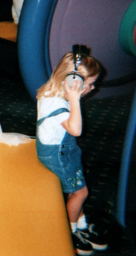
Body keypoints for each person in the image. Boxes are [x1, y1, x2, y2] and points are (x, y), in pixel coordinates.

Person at [36, 45, 107, 255]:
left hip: (61, 150)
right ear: (72, 84)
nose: (92, 89)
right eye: (90, 85)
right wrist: (75, 101)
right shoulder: (59, 106)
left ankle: (81, 225)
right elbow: (76, 130)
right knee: (80, 192)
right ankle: (70, 231)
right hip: (57, 154)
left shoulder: (51, 91)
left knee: (79, 189)